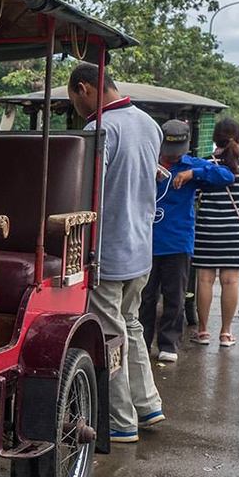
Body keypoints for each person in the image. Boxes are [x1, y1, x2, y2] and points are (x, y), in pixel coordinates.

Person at [65, 62, 164, 444]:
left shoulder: (99, 130)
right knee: (132, 324)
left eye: (74, 97)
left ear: (85, 88)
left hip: (108, 250)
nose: (76, 105)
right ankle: (148, 403)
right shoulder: (148, 123)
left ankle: (122, 420)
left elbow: (86, 192)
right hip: (141, 248)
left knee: (111, 333)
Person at [141, 119, 234, 363]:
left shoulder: (191, 165)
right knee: (145, 296)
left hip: (178, 242)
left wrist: (194, 173)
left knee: (175, 296)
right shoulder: (147, 161)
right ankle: (140, 343)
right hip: (146, 241)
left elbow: (226, 176)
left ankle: (168, 343)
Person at [192, 117, 239, 347]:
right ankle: (225, 333)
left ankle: (202, 332)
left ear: (215, 138)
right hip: (233, 230)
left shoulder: (204, 163)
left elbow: (194, 196)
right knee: (230, 281)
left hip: (206, 229)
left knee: (204, 279)